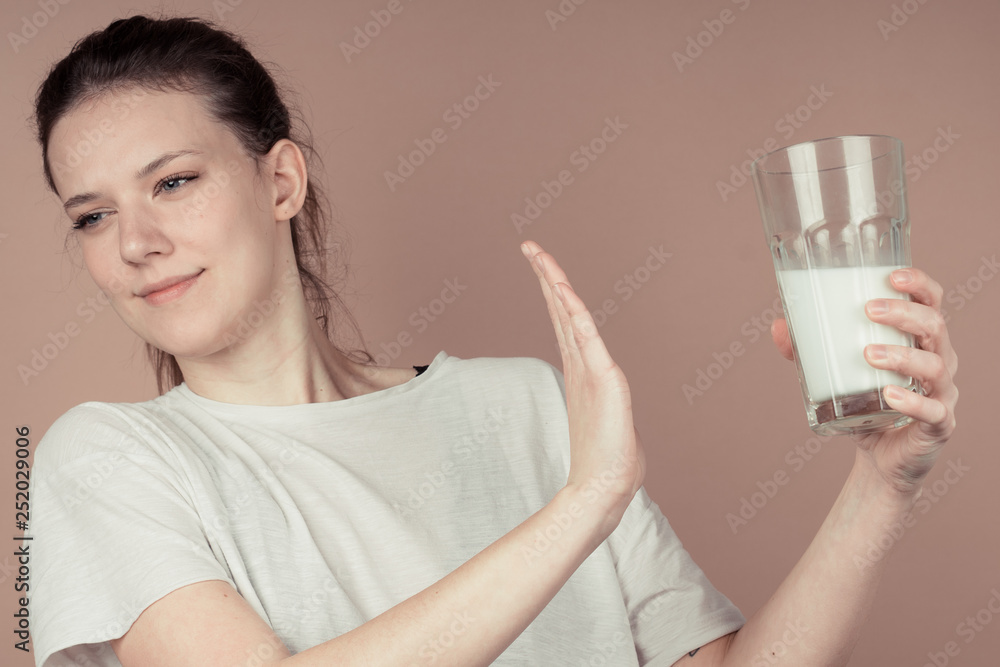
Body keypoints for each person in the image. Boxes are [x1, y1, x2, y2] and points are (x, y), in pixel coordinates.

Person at [25, 13, 958, 667]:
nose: (136, 243)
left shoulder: (525, 406)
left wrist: (881, 482)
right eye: (93, 216)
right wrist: (584, 503)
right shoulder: (106, 460)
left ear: (280, 182)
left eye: (174, 182)